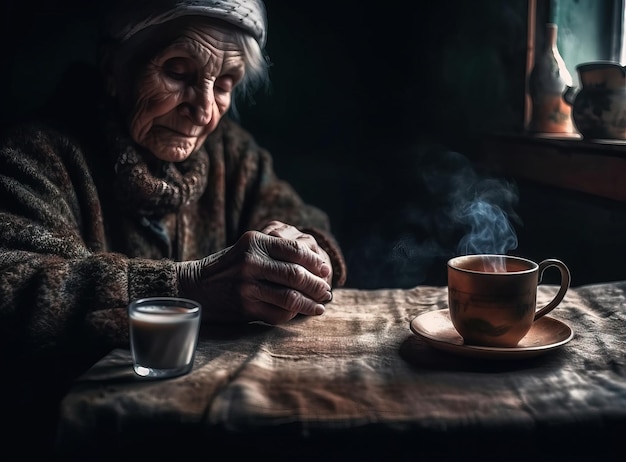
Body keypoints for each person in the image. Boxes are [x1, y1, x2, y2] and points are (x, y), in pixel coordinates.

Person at [0, 0, 346, 454]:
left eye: (225, 84)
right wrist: (184, 286)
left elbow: (306, 222)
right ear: (112, 66)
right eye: (178, 73)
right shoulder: (37, 156)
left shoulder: (231, 156)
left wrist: (299, 250)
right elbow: (15, 286)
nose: (204, 111)